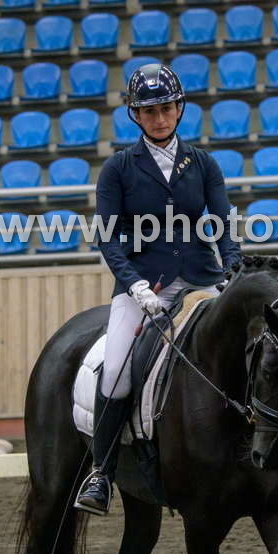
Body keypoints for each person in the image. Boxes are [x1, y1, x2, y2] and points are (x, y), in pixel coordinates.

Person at [74, 63, 242, 516]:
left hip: (201, 278)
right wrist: (134, 285)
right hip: (143, 284)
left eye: (166, 108)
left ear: (179, 108)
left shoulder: (203, 163)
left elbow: (223, 225)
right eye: (149, 111)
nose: (160, 118)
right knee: (115, 369)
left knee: (248, 346)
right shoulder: (119, 168)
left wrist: (233, 269)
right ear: (135, 115)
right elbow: (107, 237)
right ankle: (102, 473)